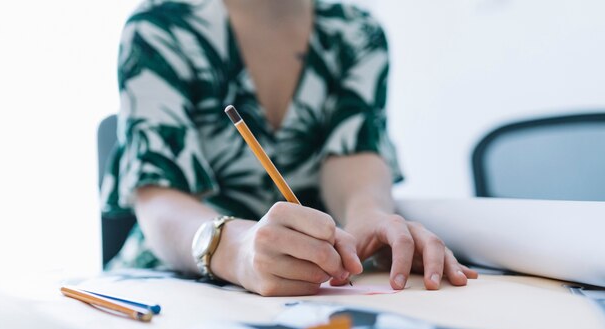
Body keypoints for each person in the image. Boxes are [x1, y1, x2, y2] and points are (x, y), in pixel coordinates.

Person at [101, 0, 478, 296]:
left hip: (316, 287)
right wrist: (236, 250)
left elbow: (353, 148)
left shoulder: (358, 32)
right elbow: (159, 198)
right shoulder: (158, 27)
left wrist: (368, 214)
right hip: (174, 285)